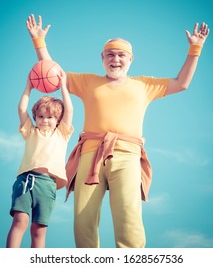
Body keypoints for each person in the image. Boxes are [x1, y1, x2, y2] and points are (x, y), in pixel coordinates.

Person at [26, 14, 209, 248]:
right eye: (110, 54)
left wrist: (196, 48)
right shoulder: (88, 81)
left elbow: (181, 82)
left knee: (128, 214)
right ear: (102, 58)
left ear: (130, 59)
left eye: (121, 54)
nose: (115, 59)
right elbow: (52, 74)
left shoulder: (145, 85)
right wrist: (39, 43)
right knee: (83, 218)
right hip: (90, 155)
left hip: (127, 155)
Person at [6, 71, 73, 248]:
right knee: (20, 221)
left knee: (39, 229)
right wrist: (29, 86)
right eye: (40, 117)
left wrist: (64, 86)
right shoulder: (31, 131)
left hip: (47, 184)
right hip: (26, 180)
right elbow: (21, 109)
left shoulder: (62, 134)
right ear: (35, 118)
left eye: (50, 117)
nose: (45, 120)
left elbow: (70, 109)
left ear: (58, 120)